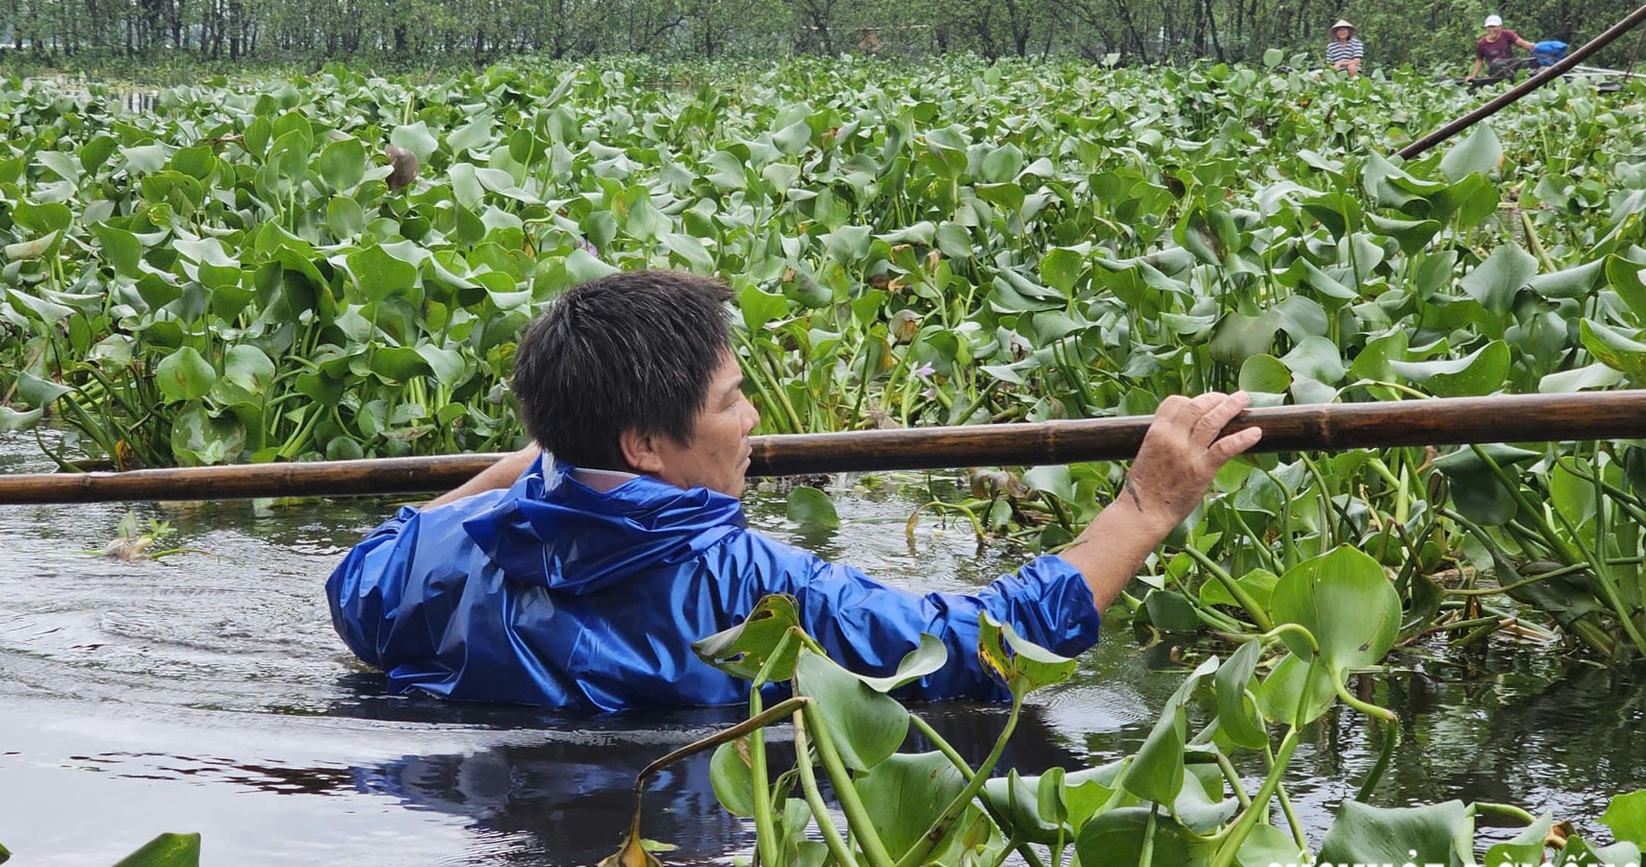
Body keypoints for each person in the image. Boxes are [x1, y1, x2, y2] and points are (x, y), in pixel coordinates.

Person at [326, 271, 1262, 710]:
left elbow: (352, 579)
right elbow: (984, 648)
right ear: (647, 445)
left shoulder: (424, 558)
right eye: (731, 401)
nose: (751, 422)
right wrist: (1146, 506)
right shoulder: (756, 591)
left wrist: (542, 462)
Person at [1469, 14, 1535, 82]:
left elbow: (1521, 42)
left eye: (1494, 27)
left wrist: (1531, 46)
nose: (1491, 29)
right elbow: (1479, 60)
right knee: (1496, 62)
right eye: (1489, 27)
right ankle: (1510, 76)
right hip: (1495, 70)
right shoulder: (1482, 43)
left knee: (1525, 62)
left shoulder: (1507, 34)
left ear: (1500, 27)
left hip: (1510, 64)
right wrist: (1473, 76)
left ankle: (1518, 78)